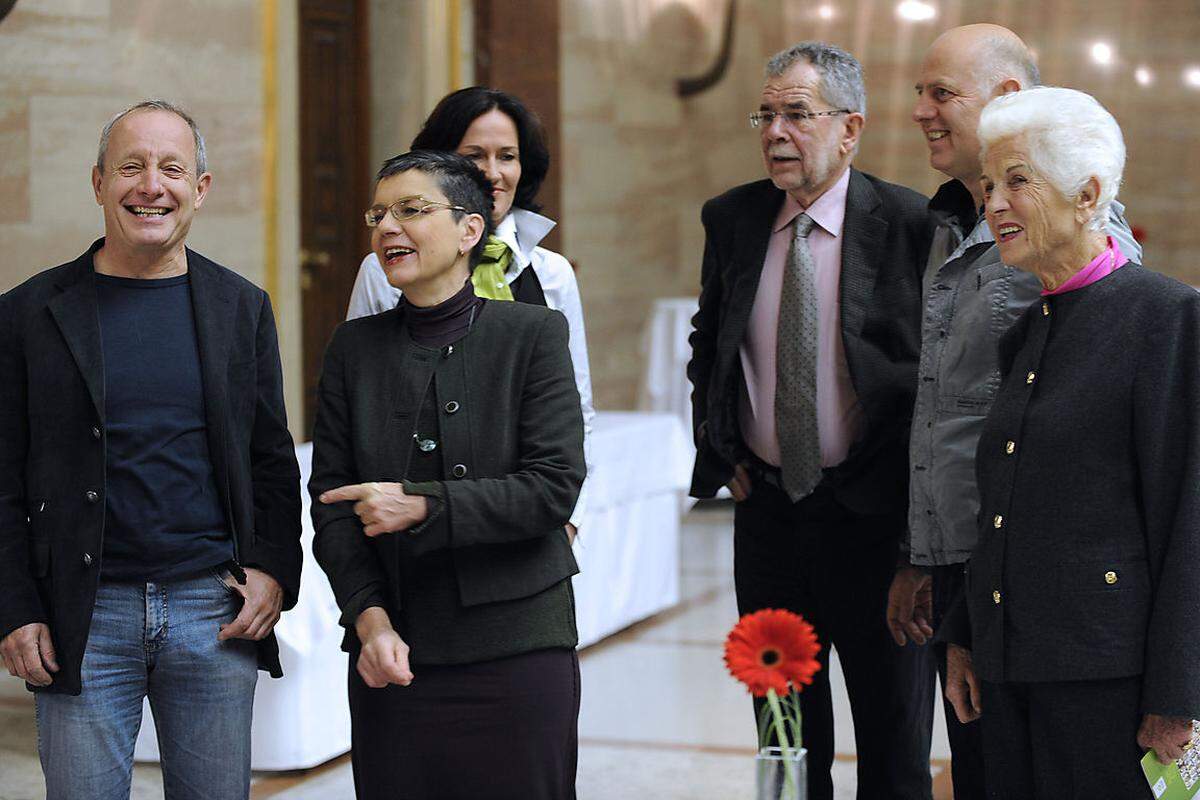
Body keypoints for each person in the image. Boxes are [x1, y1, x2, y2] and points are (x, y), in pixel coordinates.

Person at [0, 100, 302, 799]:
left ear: (200, 188)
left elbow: (270, 459)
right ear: (99, 180)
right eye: (131, 167)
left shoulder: (240, 307)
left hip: (212, 610)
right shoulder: (27, 314)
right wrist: (14, 607)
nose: (150, 186)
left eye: (172, 168)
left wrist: (273, 571)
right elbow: (4, 477)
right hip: (84, 612)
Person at [886, 24, 1142, 798]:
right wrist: (923, 555)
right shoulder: (957, 227)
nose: (923, 111)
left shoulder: (1074, 239)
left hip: (1045, 596)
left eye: (942, 93)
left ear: (1007, 98)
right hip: (969, 577)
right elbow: (950, 419)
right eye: (920, 92)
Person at [687, 42, 935, 800]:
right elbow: (710, 338)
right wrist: (718, 441)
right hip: (769, 523)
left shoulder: (910, 224)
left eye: (797, 113)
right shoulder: (732, 218)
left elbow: (935, 373)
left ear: (850, 128)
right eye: (765, 114)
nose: (774, 131)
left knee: (893, 740)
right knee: (786, 741)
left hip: (875, 524)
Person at [940, 86, 1200, 799]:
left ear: (1087, 196)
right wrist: (967, 634)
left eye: (1017, 181)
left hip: (1108, 685)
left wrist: (1180, 696)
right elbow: (1006, 501)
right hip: (1009, 668)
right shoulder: (1029, 330)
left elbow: (1190, 518)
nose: (993, 203)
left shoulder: (1169, 319)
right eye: (989, 184)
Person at [310, 150, 585, 800]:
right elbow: (332, 508)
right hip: (395, 651)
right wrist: (368, 622)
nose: (387, 229)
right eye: (379, 214)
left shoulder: (534, 335)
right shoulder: (353, 349)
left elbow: (553, 487)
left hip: (519, 648)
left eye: (412, 210)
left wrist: (423, 507)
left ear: (470, 231)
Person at [346, 87, 593, 544]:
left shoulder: (551, 273)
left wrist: (571, 518)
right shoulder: (384, 268)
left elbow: (578, 408)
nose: (493, 173)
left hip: (529, 518)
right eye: (475, 154)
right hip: (415, 520)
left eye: (508, 156)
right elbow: (363, 400)